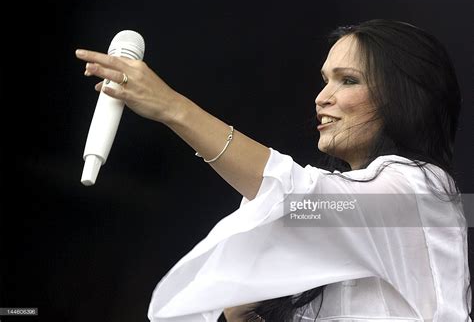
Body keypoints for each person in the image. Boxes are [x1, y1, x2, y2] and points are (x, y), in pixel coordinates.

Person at [75, 19, 471, 321]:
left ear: (401, 97)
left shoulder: (423, 197)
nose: (322, 98)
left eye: (347, 80)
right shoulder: (346, 221)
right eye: (324, 81)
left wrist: (172, 108)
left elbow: (301, 199)